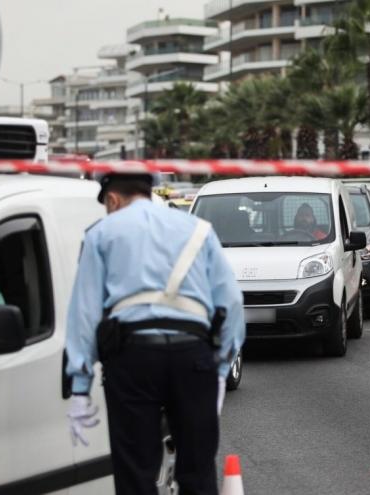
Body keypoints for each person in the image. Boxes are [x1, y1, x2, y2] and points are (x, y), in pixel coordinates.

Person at [64, 172, 245, 494]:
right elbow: (231, 301)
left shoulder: (101, 233)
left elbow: (85, 312)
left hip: (132, 357)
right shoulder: (199, 229)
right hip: (193, 356)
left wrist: (80, 386)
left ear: (112, 199)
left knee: (135, 472)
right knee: (198, 468)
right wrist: (220, 368)